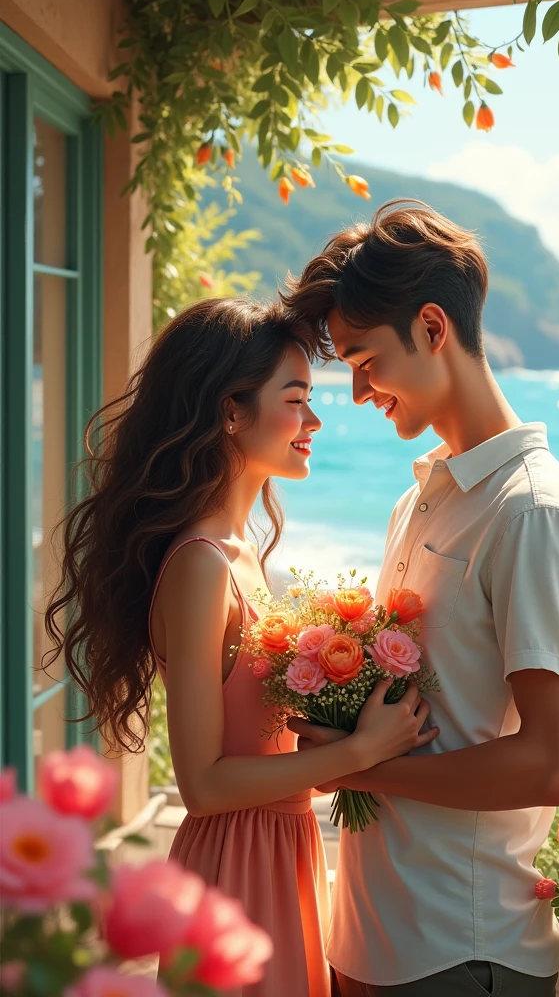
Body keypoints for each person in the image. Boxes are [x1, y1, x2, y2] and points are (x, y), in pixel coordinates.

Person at [45, 296, 438, 997]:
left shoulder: (240, 554)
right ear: (231, 412)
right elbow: (203, 783)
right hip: (237, 869)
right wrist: (358, 751)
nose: (313, 421)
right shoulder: (201, 564)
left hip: (279, 853)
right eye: (295, 400)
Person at [281, 202, 559, 997]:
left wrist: (356, 766)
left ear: (432, 328)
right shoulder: (425, 496)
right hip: (374, 935)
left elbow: (551, 763)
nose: (357, 392)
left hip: (462, 955)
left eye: (365, 360)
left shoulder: (533, 512)